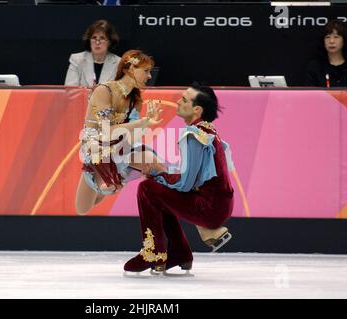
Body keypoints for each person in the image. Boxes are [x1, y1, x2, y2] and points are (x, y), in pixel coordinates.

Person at [123, 85, 234, 275]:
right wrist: (162, 176)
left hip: (208, 207)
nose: (178, 102)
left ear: (197, 109)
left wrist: (159, 174)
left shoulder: (192, 135)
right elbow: (191, 176)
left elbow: (185, 184)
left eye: (183, 100)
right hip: (219, 203)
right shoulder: (206, 130)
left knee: (147, 188)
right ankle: (180, 252)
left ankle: (154, 252)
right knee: (158, 190)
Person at [75, 49, 165, 215]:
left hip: (120, 146)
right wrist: (143, 122)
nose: (149, 76)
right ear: (130, 69)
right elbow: (107, 133)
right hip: (97, 149)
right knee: (83, 208)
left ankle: (187, 211)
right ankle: (101, 177)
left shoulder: (135, 99)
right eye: (146, 71)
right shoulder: (104, 91)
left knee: (158, 165)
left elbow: (132, 136)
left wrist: (145, 126)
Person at [65, 20, 121, 87]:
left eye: (102, 38)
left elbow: (120, 93)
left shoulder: (119, 63)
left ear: (109, 42)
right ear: (89, 40)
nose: (97, 42)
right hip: (83, 98)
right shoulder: (77, 60)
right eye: (94, 38)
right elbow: (70, 91)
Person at [306, 19, 347, 87]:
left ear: (344, 41)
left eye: (336, 37)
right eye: (327, 37)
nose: (331, 41)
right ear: (323, 42)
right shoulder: (315, 67)